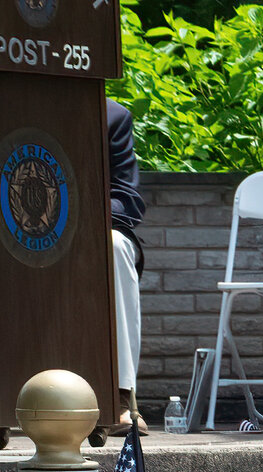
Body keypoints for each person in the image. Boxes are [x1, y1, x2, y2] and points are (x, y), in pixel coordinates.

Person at [107, 100, 147, 437]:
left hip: (87, 226)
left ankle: (120, 396)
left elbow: (126, 198)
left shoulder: (112, 116)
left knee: (115, 245)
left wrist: (71, 210)